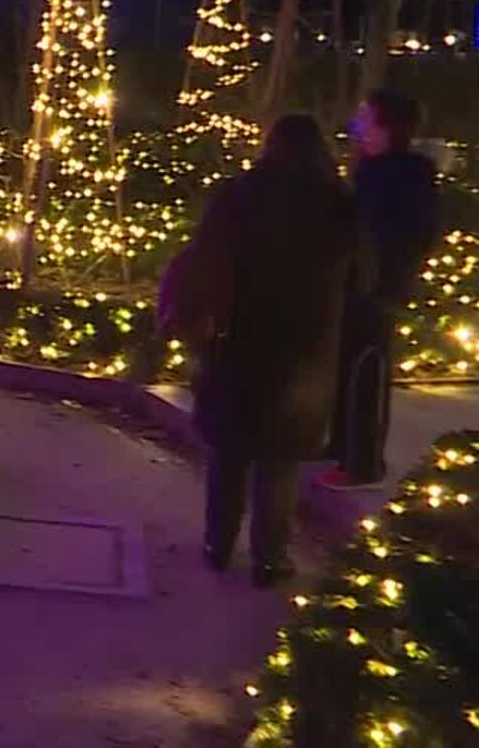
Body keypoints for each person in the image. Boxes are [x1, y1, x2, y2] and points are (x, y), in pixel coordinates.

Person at [188, 114, 363, 587]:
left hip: (239, 339)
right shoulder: (336, 204)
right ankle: (269, 558)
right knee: (280, 460)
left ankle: (217, 545)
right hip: (304, 347)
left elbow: (204, 256)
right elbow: (359, 272)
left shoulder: (238, 195)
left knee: (229, 453)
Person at [325, 89, 440, 489]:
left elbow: (402, 234)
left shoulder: (401, 174)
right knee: (345, 364)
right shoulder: (372, 169)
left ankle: (362, 461)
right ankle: (338, 444)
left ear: (385, 126)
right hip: (357, 283)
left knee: (365, 370)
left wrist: (377, 276)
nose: (357, 124)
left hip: (376, 288)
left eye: (366, 117)